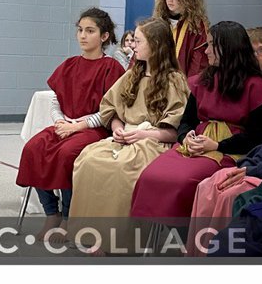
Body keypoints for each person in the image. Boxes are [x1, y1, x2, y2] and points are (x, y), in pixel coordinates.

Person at [130, 21, 262, 222]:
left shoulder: (257, 87)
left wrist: (218, 145)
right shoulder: (201, 81)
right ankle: (146, 239)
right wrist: (186, 137)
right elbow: (186, 121)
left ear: (229, 47)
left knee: (183, 181)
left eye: (212, 45)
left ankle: (178, 238)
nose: (206, 51)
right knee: (150, 175)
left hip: (228, 152)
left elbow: (256, 138)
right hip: (193, 146)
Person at [66, 18, 189, 241]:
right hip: (125, 137)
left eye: (139, 41)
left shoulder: (174, 81)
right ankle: (89, 235)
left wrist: (143, 134)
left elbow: (173, 131)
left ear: (156, 45)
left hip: (153, 141)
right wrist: (117, 128)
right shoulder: (133, 74)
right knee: (88, 160)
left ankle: (118, 239)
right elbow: (112, 109)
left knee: (122, 170)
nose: (133, 45)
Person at [16, 8, 126, 237]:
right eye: (80, 30)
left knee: (68, 155)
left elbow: (109, 111)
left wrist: (78, 126)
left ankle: (68, 218)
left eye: (90, 31)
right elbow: (56, 101)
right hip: (65, 125)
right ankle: (51, 213)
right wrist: (59, 122)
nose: (83, 36)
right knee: (33, 149)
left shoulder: (111, 68)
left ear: (104, 36)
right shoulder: (69, 64)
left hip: (93, 129)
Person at [152, 0, 210, 82]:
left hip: (182, 86)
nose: (170, 0)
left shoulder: (197, 26)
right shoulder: (158, 22)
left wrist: (187, 90)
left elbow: (198, 65)